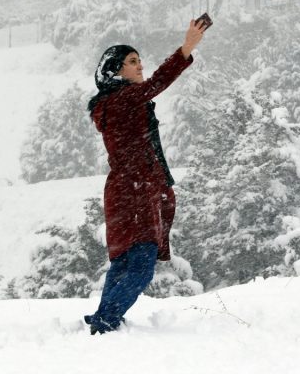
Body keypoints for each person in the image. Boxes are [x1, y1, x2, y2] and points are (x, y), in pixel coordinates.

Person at [83, 18, 208, 335]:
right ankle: (108, 320)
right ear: (115, 70)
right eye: (132, 62)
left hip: (125, 191)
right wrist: (186, 48)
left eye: (139, 60)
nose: (140, 66)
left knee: (124, 262)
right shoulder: (123, 99)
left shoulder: (112, 104)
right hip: (134, 192)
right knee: (140, 265)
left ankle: (103, 318)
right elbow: (157, 82)